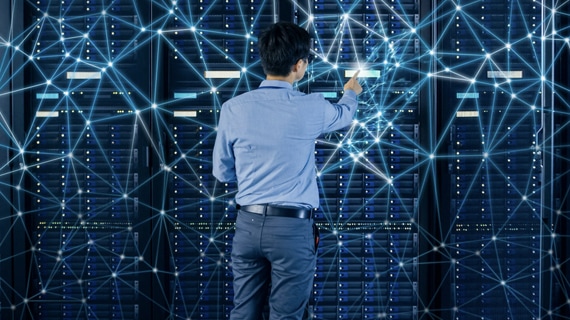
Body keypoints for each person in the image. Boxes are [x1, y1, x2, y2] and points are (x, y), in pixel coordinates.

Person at [212, 21, 362, 320]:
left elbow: (222, 172)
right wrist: (351, 92)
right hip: (292, 230)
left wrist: (254, 174)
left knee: (244, 313)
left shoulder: (233, 108)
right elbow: (344, 116)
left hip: (247, 225)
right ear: (299, 65)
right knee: (287, 316)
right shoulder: (312, 106)